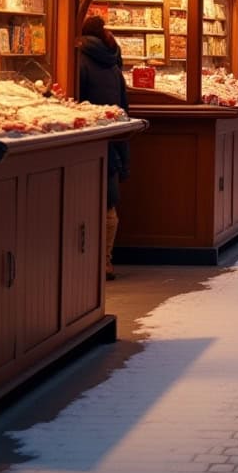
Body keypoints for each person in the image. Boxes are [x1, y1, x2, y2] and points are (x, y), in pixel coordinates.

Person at [77, 14, 131, 281]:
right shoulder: (113, 66)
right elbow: (123, 109)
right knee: (109, 205)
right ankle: (105, 261)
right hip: (110, 143)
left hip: (84, 142)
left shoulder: (77, 61)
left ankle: (92, 261)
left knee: (84, 205)